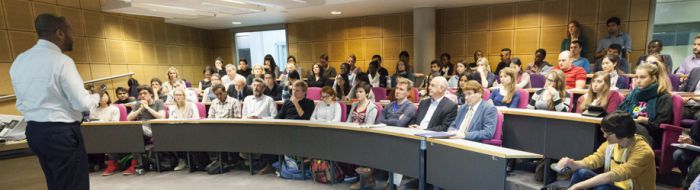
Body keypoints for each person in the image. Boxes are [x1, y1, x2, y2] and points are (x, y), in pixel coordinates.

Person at [11, 15, 99, 189]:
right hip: (61, 132)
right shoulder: (61, 61)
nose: (72, 36)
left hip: (35, 132)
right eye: (70, 31)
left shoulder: (20, 60)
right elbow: (81, 103)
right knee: (73, 185)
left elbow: (21, 102)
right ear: (59, 33)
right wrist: (95, 97)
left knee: (56, 184)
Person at [556, 111, 655, 190]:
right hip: (614, 185)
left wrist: (577, 186)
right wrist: (573, 164)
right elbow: (595, 159)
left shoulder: (643, 152)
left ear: (621, 133)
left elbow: (614, 175)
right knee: (581, 172)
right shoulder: (611, 143)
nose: (604, 136)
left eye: (608, 133)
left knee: (602, 187)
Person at [618, 62, 673, 148]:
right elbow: (619, 112)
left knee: (630, 126)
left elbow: (660, 126)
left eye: (642, 77)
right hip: (629, 132)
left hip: (652, 136)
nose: (638, 81)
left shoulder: (663, 97)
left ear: (653, 78)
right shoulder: (634, 94)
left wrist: (645, 120)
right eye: (637, 77)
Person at [346, 81, 380, 189]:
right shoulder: (354, 104)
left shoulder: (372, 107)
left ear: (367, 93)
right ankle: (353, 174)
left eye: (361, 92)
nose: (358, 94)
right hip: (352, 134)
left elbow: (368, 126)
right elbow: (348, 121)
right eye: (356, 92)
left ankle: (365, 179)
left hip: (364, 136)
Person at [126, 85, 165, 175]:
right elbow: (129, 118)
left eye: (145, 93)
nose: (142, 95)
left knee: (136, 130)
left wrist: (147, 108)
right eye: (140, 94)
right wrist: (140, 108)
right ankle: (139, 164)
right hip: (140, 130)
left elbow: (162, 116)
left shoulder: (158, 102)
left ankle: (138, 164)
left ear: (151, 94)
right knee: (134, 136)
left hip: (154, 130)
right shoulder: (138, 104)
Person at [167, 88, 201, 171]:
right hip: (178, 130)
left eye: (180, 95)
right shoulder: (172, 107)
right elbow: (171, 121)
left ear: (184, 96)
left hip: (191, 129)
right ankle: (182, 160)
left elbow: (196, 119)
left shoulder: (191, 105)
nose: (178, 97)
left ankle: (195, 162)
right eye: (176, 95)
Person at [673, 120, 700, 189]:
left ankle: (686, 186)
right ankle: (688, 180)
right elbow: (694, 139)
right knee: (678, 154)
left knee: (697, 164)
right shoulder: (698, 123)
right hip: (696, 150)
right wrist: (688, 141)